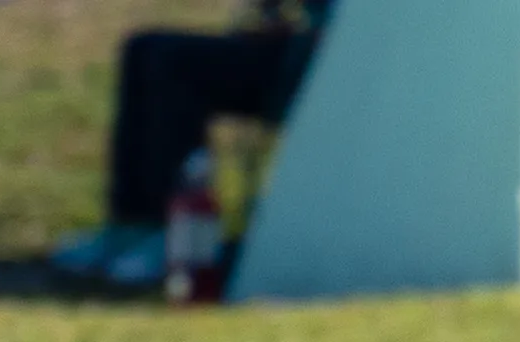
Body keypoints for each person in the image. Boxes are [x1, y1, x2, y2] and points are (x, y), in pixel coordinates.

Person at [48, 0, 324, 292]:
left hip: (317, 68)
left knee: (174, 63)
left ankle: (172, 233)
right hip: (292, 48)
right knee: (142, 48)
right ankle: (131, 224)